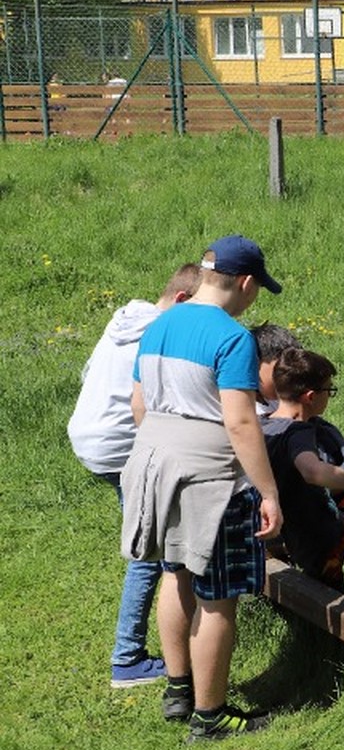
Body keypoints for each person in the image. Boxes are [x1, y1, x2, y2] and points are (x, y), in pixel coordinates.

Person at [120, 235, 283, 742]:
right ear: (246, 283)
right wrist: (269, 493)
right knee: (218, 599)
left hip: (155, 466)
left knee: (175, 574)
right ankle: (210, 716)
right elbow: (240, 422)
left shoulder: (160, 323)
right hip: (211, 480)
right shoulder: (233, 338)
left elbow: (139, 404)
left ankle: (179, 689)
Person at [68, 263, 202, 688]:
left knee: (152, 544)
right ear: (181, 300)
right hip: (118, 446)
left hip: (89, 436)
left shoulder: (125, 320)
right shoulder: (158, 334)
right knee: (150, 552)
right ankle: (127, 658)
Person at [262, 348, 344, 585]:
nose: (330, 396)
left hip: (305, 546)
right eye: (329, 390)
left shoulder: (265, 427)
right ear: (311, 396)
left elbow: (340, 445)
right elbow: (312, 471)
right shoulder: (297, 432)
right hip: (329, 552)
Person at [250, 323, 301, 418]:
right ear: (254, 364)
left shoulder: (289, 398)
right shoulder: (238, 407)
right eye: (280, 370)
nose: (290, 378)